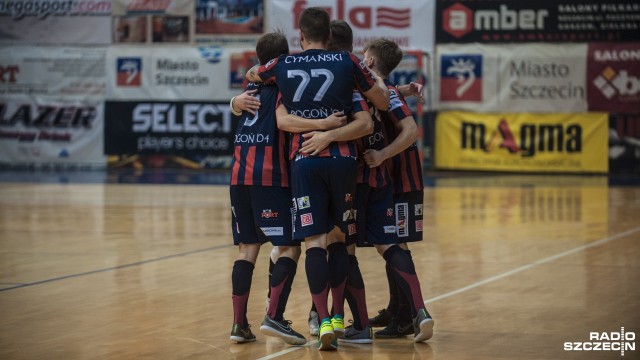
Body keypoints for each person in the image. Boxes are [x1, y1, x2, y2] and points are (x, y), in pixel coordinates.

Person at [246, 7, 389, 351]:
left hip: (303, 161)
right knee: (340, 239)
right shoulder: (348, 62)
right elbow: (379, 102)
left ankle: (322, 319)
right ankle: (338, 319)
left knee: (313, 242)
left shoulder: (283, 65)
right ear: (328, 35)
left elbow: (254, 73)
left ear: (300, 35)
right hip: (342, 161)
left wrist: (251, 90)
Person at [229, 31, 346, 346]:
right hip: (271, 176)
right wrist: (325, 125)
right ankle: (275, 317)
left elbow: (244, 101)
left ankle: (239, 325)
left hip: (239, 177)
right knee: (293, 247)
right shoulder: (285, 84)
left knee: (248, 249)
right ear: (285, 57)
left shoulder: (250, 88)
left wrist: (233, 103)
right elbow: (286, 121)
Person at [361, 39, 434, 342]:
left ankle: (408, 316)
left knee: (396, 244)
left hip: (404, 180)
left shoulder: (387, 94)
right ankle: (397, 309)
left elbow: (412, 131)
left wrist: (382, 155)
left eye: (364, 56)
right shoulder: (385, 91)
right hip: (394, 179)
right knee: (392, 243)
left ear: (372, 62)